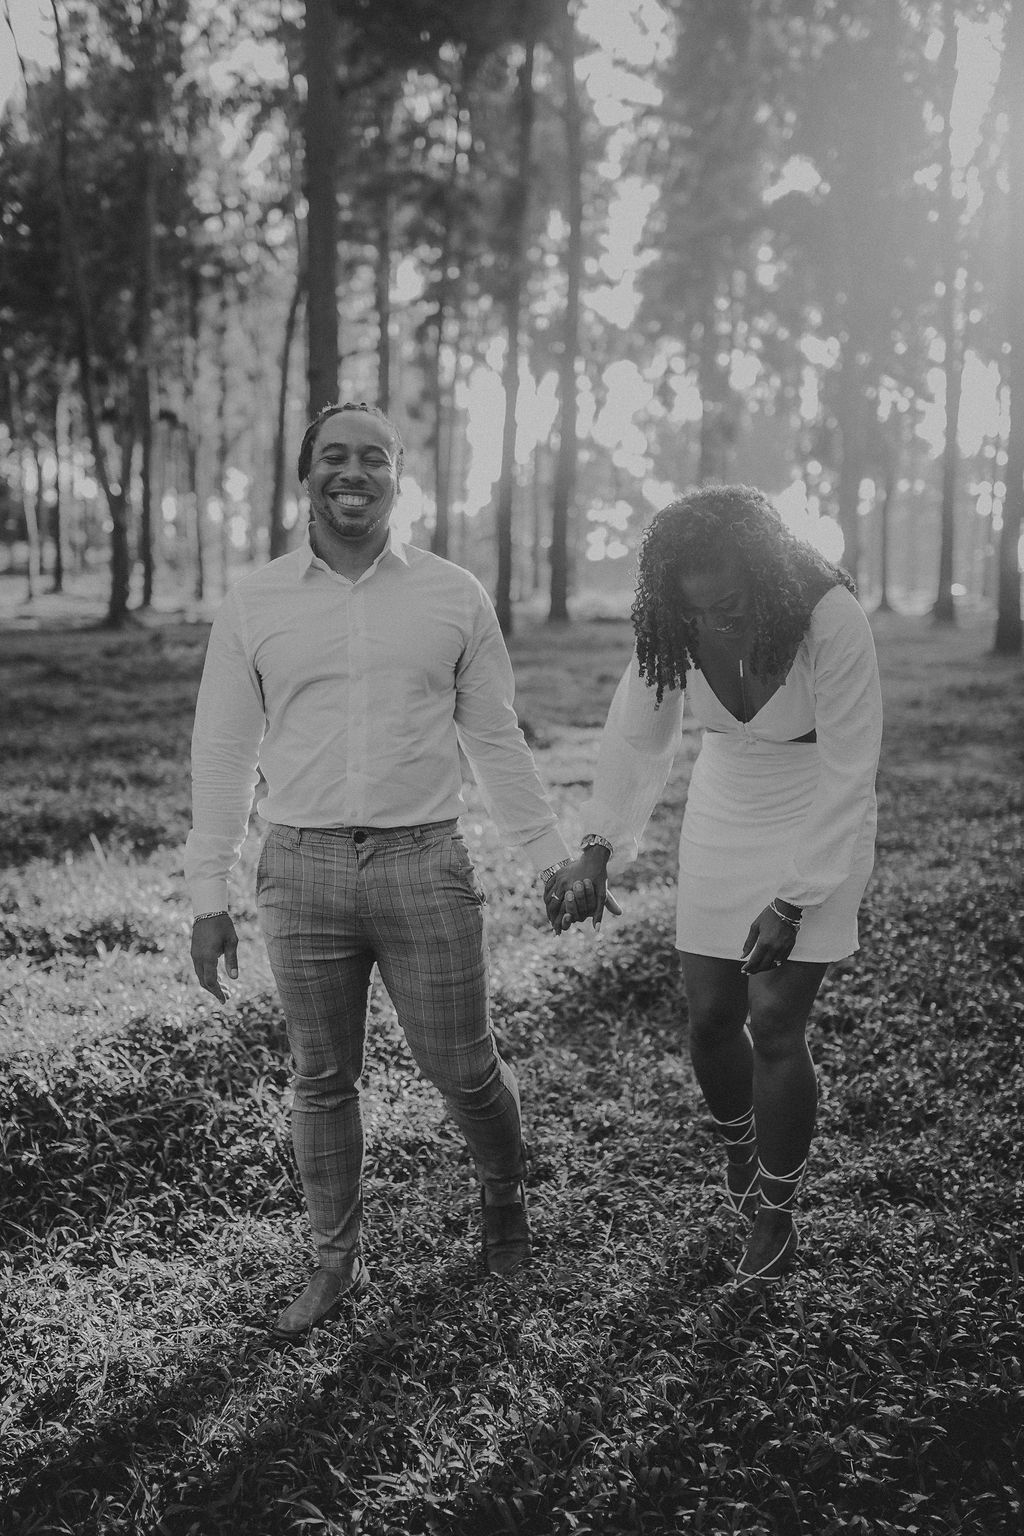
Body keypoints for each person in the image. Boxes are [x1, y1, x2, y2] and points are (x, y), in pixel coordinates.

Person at [186, 401, 573, 1338]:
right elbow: (224, 752)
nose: (350, 472)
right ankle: (334, 1262)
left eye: (372, 457)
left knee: (465, 1069)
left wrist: (549, 857)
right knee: (321, 1079)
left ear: (399, 477)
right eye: (333, 456)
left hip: (423, 862)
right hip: (300, 869)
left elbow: (495, 737)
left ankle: (503, 1197)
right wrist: (208, 895)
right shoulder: (256, 601)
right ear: (307, 475)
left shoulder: (453, 595)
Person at [545, 485, 882, 1286]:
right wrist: (597, 847)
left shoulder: (831, 617)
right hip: (727, 801)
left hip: (817, 806)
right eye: (698, 611)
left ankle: (776, 1213)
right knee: (710, 1020)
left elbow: (851, 768)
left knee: (775, 1021)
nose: (715, 623)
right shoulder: (677, 620)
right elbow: (637, 735)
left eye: (730, 605)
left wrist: (794, 898)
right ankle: (740, 1144)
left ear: (765, 573)